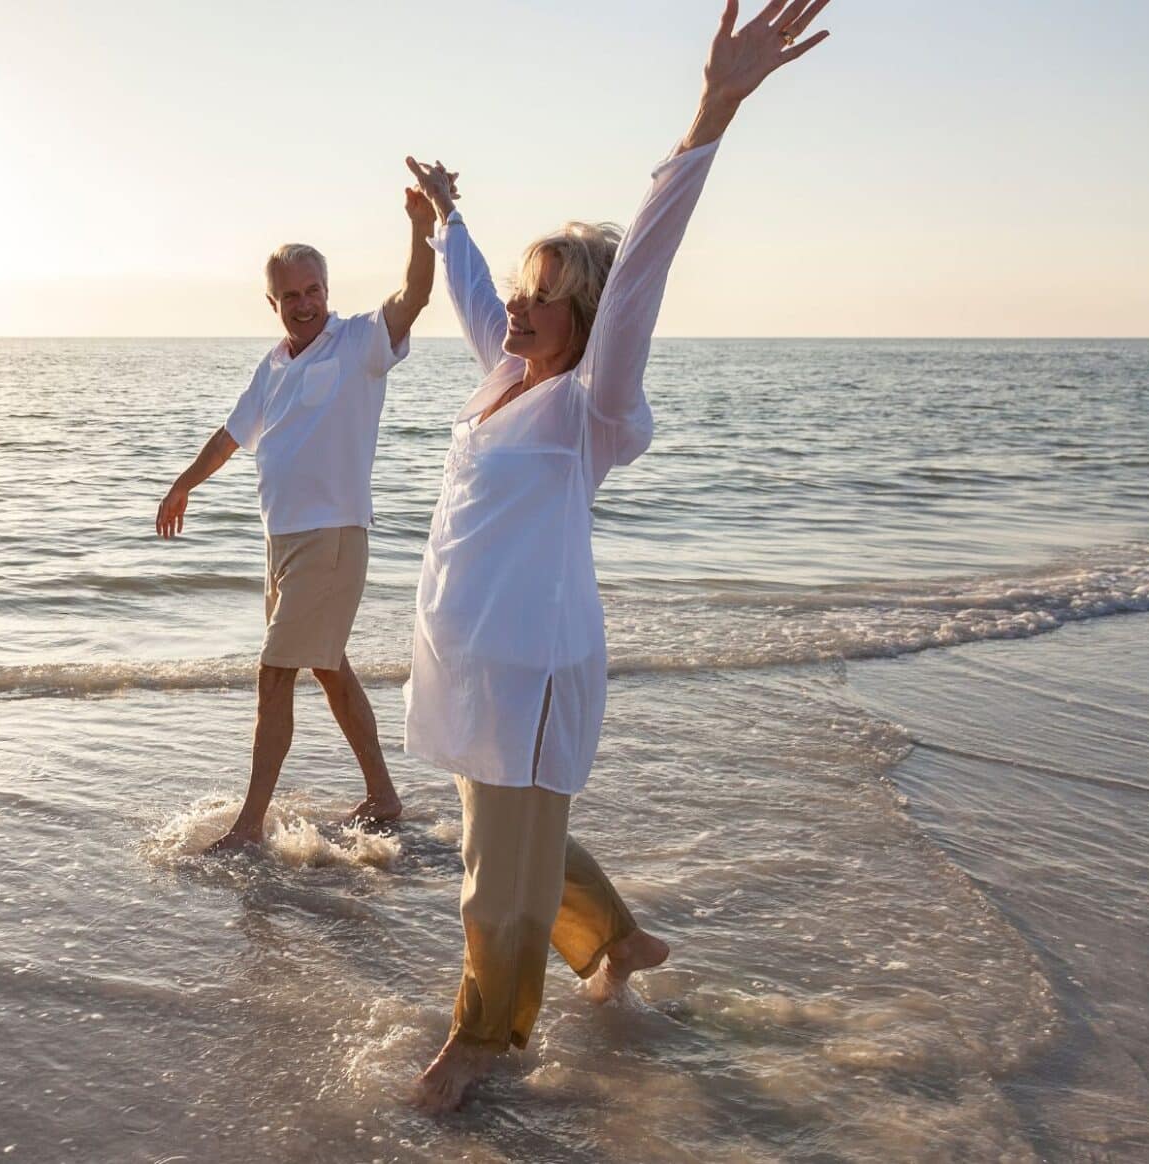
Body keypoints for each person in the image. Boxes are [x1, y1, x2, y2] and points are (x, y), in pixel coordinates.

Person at [403, 0, 836, 1112]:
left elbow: (640, 272)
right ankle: (618, 941)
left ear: (590, 321)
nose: (522, 306)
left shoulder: (586, 410)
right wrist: (451, 221)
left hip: (533, 665)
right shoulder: (508, 384)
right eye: (522, 290)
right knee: (509, 837)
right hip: (474, 664)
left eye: (549, 296)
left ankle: (484, 1043)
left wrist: (711, 112)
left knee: (493, 877)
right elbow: (469, 295)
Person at [155, 188, 438, 852]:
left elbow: (414, 297)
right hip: (282, 545)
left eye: (314, 290)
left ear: (327, 290)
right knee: (329, 668)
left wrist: (421, 228)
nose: (306, 304)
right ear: (273, 303)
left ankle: (250, 824)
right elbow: (230, 437)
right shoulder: (274, 365)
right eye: (292, 296)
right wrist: (182, 486)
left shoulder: (359, 344)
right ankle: (385, 796)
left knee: (274, 671)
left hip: (333, 537)